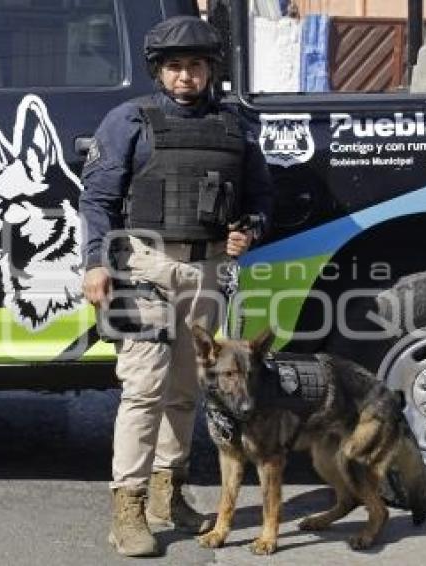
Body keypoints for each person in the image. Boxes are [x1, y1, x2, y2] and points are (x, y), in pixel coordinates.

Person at [79, 16, 273, 557]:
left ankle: (170, 494)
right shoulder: (130, 120)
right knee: (143, 388)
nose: (184, 76)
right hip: (146, 267)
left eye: (194, 65)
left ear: (210, 69)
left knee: (188, 389)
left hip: (207, 270)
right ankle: (128, 510)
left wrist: (249, 231)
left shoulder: (234, 126)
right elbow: (96, 199)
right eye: (173, 67)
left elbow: (260, 198)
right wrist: (95, 263)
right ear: (159, 72)